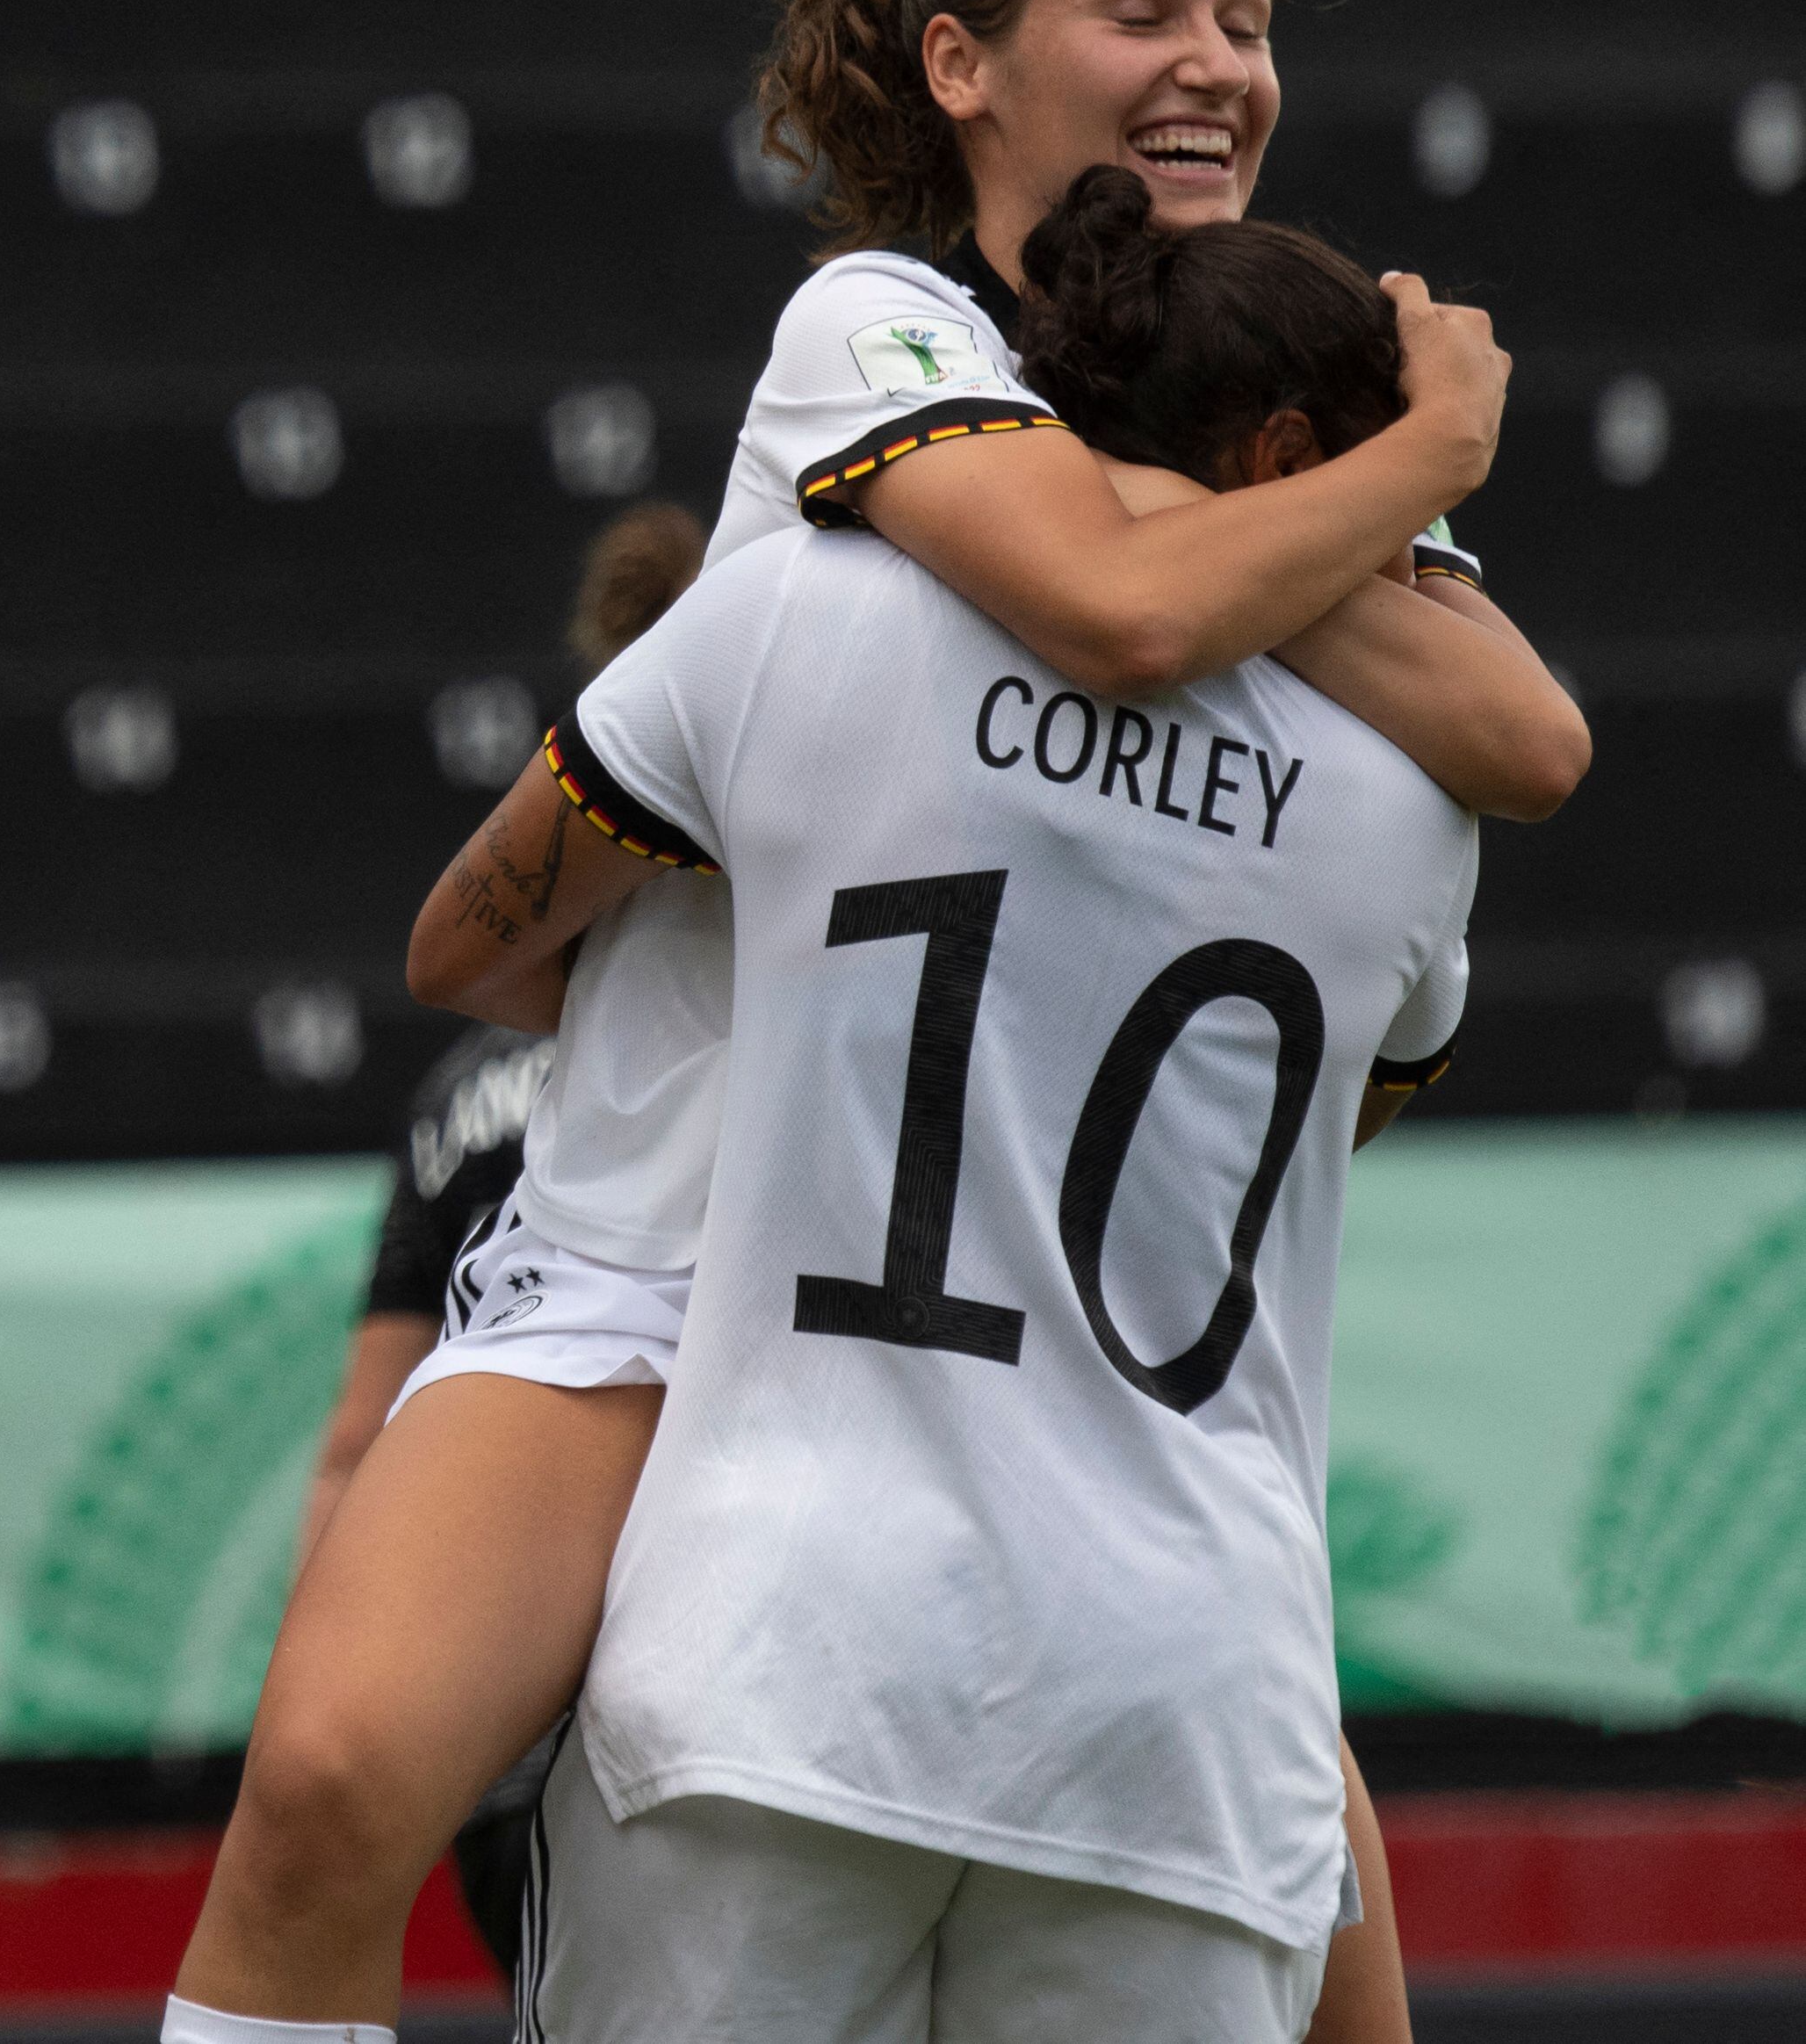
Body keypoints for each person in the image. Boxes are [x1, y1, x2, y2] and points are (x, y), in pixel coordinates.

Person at [169, 0, 1586, 2044]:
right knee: (327, 1790)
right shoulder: (884, 321)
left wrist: (1249, 494)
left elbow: (1519, 730)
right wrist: (1409, 464)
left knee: (1306, 1896)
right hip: (663, 1263)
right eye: (1142, 4)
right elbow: (1124, 609)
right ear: (958, 64)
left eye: (1245, 15)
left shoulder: (1252, 410)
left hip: (1026, 1335)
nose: (1216, 59)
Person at [415, 171, 1477, 2037]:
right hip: (1180, 1726)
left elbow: (467, 947)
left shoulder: (789, 612)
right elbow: (1330, 1111)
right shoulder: (1412, 803)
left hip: (775, 1670)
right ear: (1292, 463)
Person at [290, 503, 700, 1986]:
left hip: (504, 1684)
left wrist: (326, 1707)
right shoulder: (809, 1010)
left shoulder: (462, 1083)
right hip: (723, 1656)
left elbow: (361, 1435)